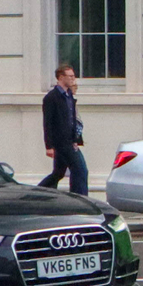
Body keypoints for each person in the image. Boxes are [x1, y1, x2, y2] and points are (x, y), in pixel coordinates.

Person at [40, 63, 88, 197]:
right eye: (70, 76)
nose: (73, 79)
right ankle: (80, 199)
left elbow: (72, 119)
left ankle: (40, 193)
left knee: (58, 173)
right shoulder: (51, 97)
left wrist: (76, 139)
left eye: (74, 76)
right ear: (61, 77)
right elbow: (47, 123)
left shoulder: (69, 96)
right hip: (61, 142)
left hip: (70, 140)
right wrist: (48, 146)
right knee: (80, 170)